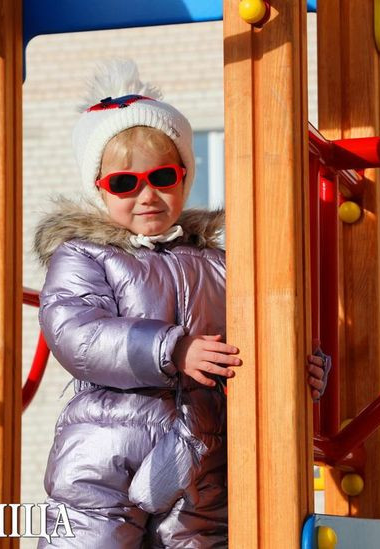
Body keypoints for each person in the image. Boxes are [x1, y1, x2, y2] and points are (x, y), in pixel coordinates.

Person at [33, 59, 329, 548]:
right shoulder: (85, 255)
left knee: (198, 539)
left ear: (185, 177)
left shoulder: (220, 263)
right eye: (124, 183)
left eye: (163, 177)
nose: (147, 194)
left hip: (201, 453)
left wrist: (300, 369)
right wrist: (174, 349)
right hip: (109, 451)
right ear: (98, 189)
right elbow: (76, 333)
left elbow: (258, 334)